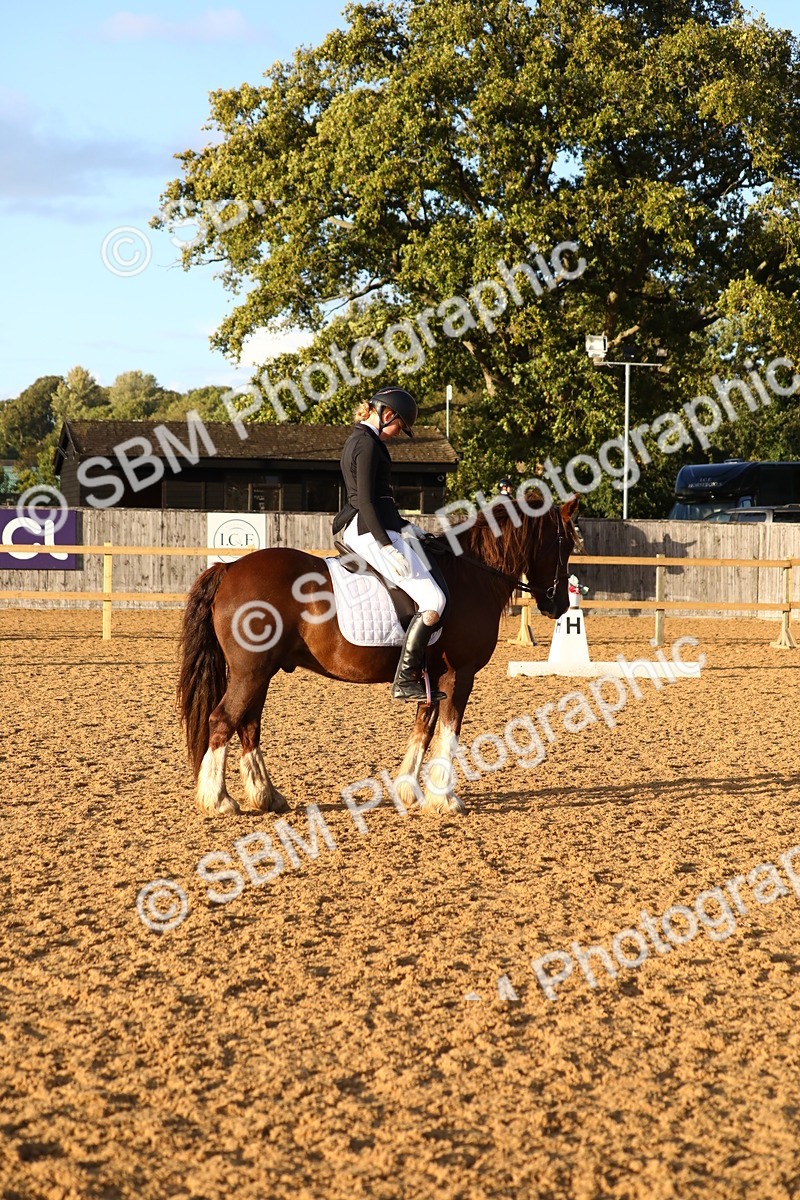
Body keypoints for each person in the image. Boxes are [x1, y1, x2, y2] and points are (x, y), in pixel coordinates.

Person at [332, 385, 447, 703]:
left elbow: (382, 501)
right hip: (370, 531)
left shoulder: (365, 440)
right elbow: (366, 502)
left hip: (376, 526)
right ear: (388, 414)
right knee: (434, 600)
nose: (398, 433)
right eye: (400, 426)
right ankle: (405, 679)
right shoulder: (366, 444)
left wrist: (409, 529)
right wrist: (385, 545)